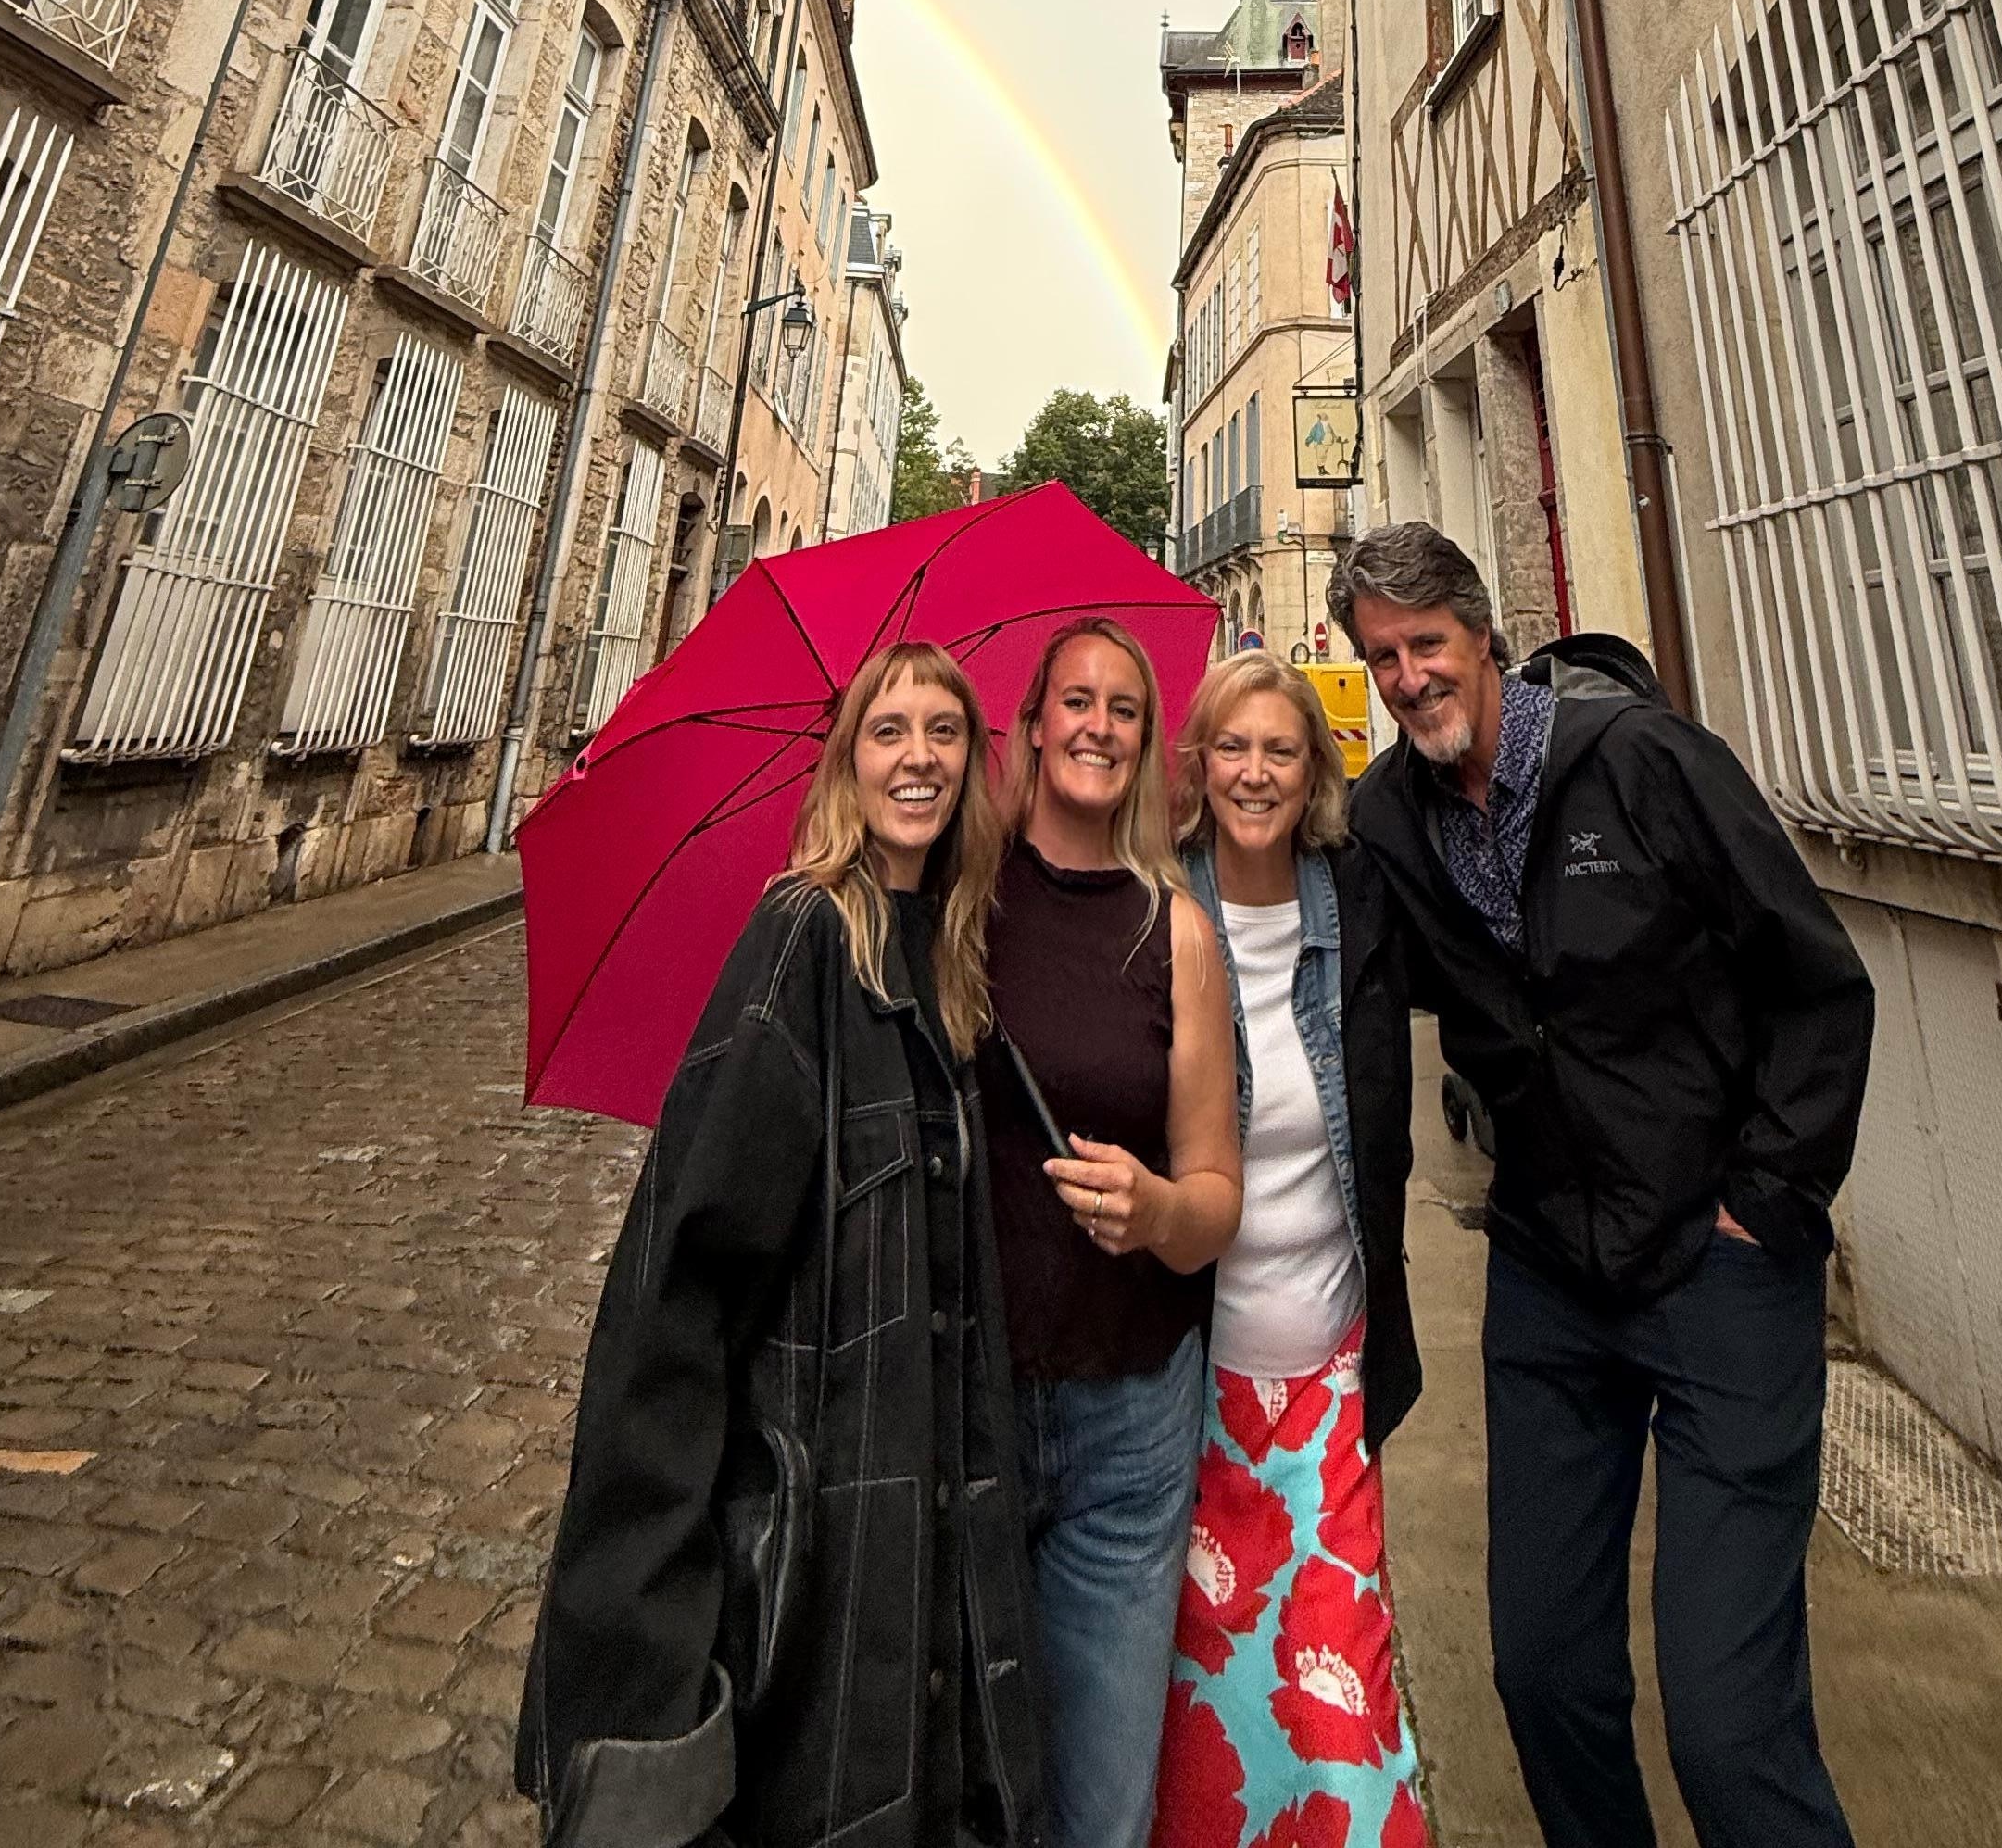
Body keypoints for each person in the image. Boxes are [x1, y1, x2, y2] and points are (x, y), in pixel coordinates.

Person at [1336, 522, 1874, 1848]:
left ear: (1483, 641)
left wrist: (1767, 1202)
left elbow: (1817, 982)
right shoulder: (1390, 821)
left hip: (1718, 1268)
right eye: (1381, 658)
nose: (1407, 679)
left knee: (1728, 1721)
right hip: (1548, 1281)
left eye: (1426, 647)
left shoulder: (1638, 761)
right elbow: (1317, 984)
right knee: (1545, 1673)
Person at [517, 641, 1044, 1848]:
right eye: (888, 731)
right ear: (845, 764)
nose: (918, 757)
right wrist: (644, 1623)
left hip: (929, 1548)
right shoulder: (801, 943)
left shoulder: (948, 954)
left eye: (944, 731)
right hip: (826, 1552)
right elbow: (681, 1290)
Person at [1151, 654, 1422, 1848]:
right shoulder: (1151, 911)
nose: (1255, 772)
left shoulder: (1359, 900)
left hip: (1326, 1382)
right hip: (1187, 1386)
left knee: (1344, 1710)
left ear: (1315, 768)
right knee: (1204, 1715)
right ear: (1198, 765)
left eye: (1282, 748)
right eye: (1232, 747)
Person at [985, 621, 1242, 1848]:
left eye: (1124, 710)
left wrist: (1152, 1213)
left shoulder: (1175, 932)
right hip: (965, 1406)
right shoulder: (954, 909)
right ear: (1033, 723)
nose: (1096, 724)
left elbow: (1214, 1202)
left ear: (1145, 745)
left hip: (1128, 1423)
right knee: (959, 1783)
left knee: (1099, 1807)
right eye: (1075, 701)